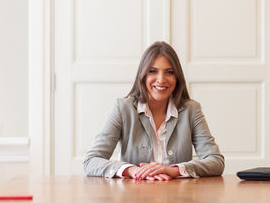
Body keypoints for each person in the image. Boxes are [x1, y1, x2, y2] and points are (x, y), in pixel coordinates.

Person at [83, 41, 224, 180]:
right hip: (133, 197)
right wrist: (132, 170)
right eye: (153, 71)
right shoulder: (123, 108)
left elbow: (216, 161)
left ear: (177, 78)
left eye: (169, 72)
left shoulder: (191, 110)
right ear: (143, 75)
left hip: (179, 197)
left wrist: (174, 170)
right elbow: (91, 161)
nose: (161, 80)